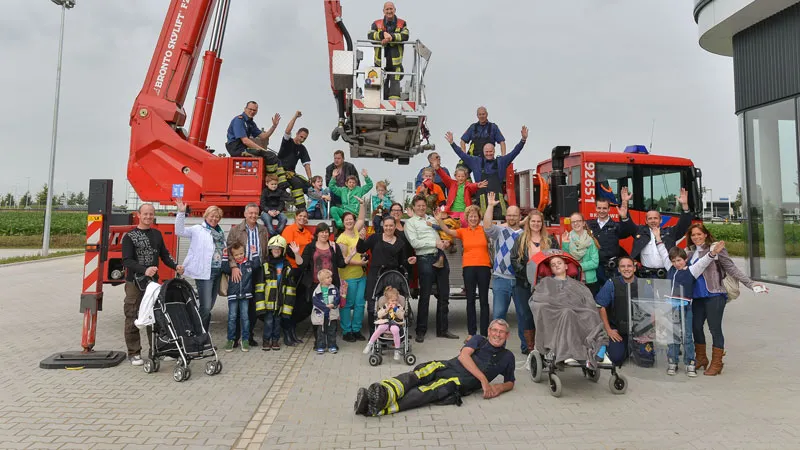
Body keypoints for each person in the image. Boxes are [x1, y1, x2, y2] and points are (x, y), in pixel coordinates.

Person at [354, 319, 515, 417]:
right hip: (446, 366)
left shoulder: (508, 357)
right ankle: (382, 392)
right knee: (414, 376)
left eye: (502, 332)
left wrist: (499, 388)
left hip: (457, 382)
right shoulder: (479, 339)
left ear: (507, 335)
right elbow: (464, 357)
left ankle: (372, 408)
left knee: (424, 392)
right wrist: (484, 380)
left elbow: (510, 382)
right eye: (495, 330)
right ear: (489, 331)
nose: (497, 334)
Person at [684, 223, 768, 376]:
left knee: (714, 328)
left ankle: (717, 363)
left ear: (705, 235)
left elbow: (731, 268)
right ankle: (701, 358)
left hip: (715, 294)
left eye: (699, 234)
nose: (696, 237)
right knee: (695, 327)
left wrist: (750, 283)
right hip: (696, 296)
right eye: (693, 235)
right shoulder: (689, 252)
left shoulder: (716, 249)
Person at [654, 229, 724, 377]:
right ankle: (672, 362)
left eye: (679, 260)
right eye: (674, 261)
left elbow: (704, 262)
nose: (676, 264)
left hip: (686, 308)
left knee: (687, 336)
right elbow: (663, 253)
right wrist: (658, 238)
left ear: (685, 259)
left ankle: (690, 362)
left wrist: (713, 253)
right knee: (672, 335)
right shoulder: (670, 268)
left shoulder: (692, 270)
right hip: (671, 308)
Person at [121, 204, 183, 366]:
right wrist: (144, 270)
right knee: (132, 315)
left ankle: (157, 351)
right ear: (138, 215)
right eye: (145, 214)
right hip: (134, 283)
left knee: (155, 316)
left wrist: (175, 266)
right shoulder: (129, 236)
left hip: (152, 284)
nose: (148, 217)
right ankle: (134, 353)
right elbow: (127, 261)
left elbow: (165, 255)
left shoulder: (157, 234)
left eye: (151, 214)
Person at [482, 192, 533, 354]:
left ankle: (527, 347)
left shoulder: (525, 235)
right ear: (506, 216)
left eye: (515, 215)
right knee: (498, 315)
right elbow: (487, 226)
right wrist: (490, 206)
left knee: (524, 315)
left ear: (520, 217)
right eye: (509, 215)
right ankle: (496, 348)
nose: (512, 217)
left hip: (520, 280)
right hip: (501, 279)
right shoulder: (500, 231)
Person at [404, 195, 457, 342]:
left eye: (423, 205)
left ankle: (443, 330)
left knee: (444, 295)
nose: (421, 208)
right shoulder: (410, 223)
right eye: (418, 206)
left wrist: (445, 242)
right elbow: (415, 243)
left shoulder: (432, 219)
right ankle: (421, 331)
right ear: (413, 207)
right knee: (425, 296)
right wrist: (435, 243)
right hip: (425, 259)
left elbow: (442, 232)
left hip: (440, 256)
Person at [446, 126, 528, 219]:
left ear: (494, 151)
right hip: (482, 199)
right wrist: (452, 143)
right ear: (483, 151)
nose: (489, 153)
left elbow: (515, 152)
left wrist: (523, 140)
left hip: (498, 199)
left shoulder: (501, 161)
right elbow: (462, 154)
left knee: (503, 217)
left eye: (491, 151)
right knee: (482, 218)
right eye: (486, 152)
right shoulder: (475, 161)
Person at [436, 205, 492, 339]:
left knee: (484, 301)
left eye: (475, 216)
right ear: (467, 218)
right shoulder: (463, 231)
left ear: (479, 218)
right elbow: (447, 231)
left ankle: (484, 334)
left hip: (484, 267)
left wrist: (490, 206)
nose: (473, 219)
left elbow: (494, 224)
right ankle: (471, 333)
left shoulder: (484, 230)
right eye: (470, 216)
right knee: (470, 300)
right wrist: (439, 220)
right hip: (468, 268)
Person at [358, 209, 416, 335]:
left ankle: (393, 333)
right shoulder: (375, 238)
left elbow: (402, 262)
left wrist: (408, 261)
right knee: (372, 306)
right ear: (383, 226)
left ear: (395, 226)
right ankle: (374, 334)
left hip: (392, 276)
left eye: (391, 225)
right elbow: (361, 249)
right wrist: (361, 239)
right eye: (386, 226)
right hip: (375, 274)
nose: (388, 228)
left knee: (392, 304)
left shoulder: (400, 243)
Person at [174, 200, 225, 331]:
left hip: (217, 272)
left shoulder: (220, 233)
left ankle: (199, 331)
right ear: (206, 216)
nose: (214, 219)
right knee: (206, 307)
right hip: (204, 273)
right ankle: (200, 334)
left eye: (217, 217)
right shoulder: (197, 229)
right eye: (212, 216)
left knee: (209, 306)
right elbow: (179, 231)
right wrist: (181, 213)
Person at [294, 223, 347, 350]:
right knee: (318, 314)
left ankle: (332, 342)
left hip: (331, 286)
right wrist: (296, 253)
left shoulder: (333, 246)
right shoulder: (310, 247)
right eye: (322, 232)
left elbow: (341, 263)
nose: (324, 234)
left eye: (326, 232)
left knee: (332, 313)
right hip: (315, 285)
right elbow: (302, 264)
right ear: (317, 233)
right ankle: (319, 341)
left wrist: (350, 256)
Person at [226, 202, 269, 348]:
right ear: (245, 214)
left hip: (257, 270)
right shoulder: (236, 230)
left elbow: (265, 251)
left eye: (256, 213)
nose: (253, 215)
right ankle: (234, 338)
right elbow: (229, 250)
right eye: (250, 213)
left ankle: (248, 336)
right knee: (239, 304)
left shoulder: (263, 230)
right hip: (241, 270)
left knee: (253, 305)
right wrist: (233, 267)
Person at [629, 188, 693, 278]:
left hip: (666, 274)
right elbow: (628, 225)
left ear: (661, 220)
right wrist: (624, 203)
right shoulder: (639, 231)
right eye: (650, 218)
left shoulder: (670, 232)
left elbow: (684, 225)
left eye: (655, 218)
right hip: (645, 275)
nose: (653, 221)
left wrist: (685, 206)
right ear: (646, 221)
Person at [586, 187, 636, 285]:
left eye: (604, 208)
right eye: (599, 208)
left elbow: (629, 231)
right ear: (595, 208)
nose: (602, 211)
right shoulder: (588, 225)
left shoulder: (616, 226)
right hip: (592, 270)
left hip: (610, 270)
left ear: (609, 209)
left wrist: (624, 213)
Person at [595, 256, 638, 367]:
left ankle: (628, 347)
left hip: (638, 330)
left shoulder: (643, 284)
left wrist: (647, 333)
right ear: (618, 269)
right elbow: (600, 306)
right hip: (618, 329)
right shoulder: (611, 283)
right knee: (616, 359)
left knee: (647, 360)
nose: (626, 269)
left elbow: (652, 308)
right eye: (622, 266)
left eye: (629, 266)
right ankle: (606, 345)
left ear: (634, 268)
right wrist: (608, 330)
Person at [337, 198, 369, 342]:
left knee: (360, 304)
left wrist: (362, 204)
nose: (349, 221)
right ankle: (346, 331)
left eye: (351, 219)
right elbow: (345, 260)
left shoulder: (356, 231)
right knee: (347, 304)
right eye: (347, 220)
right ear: (343, 223)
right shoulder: (341, 239)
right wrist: (360, 263)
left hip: (361, 275)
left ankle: (356, 330)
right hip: (348, 276)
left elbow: (361, 218)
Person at [260, 235, 299, 351]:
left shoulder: (287, 266)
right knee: (268, 322)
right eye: (273, 248)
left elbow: (290, 289)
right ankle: (266, 340)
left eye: (278, 249)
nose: (276, 250)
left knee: (277, 322)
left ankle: (275, 340)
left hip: (280, 302)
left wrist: (287, 306)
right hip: (268, 302)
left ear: (283, 250)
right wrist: (260, 305)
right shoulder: (265, 265)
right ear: (270, 250)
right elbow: (259, 286)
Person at [281, 209, 314, 346]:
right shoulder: (289, 230)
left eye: (305, 216)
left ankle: (293, 332)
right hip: (292, 270)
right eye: (300, 216)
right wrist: (299, 259)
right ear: (295, 217)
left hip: (302, 271)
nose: (302, 218)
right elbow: (288, 249)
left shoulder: (307, 233)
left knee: (297, 304)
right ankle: (287, 334)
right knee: (288, 303)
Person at [511, 209, 558, 297]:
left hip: (545, 283)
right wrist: (527, 273)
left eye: (538, 221)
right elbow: (514, 259)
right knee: (524, 306)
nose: (536, 224)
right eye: (533, 221)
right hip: (524, 283)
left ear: (542, 223)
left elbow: (557, 259)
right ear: (528, 222)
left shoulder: (550, 240)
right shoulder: (520, 239)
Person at [368, 2, 409, 100]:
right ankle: (380, 100)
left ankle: (393, 104)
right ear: (383, 11)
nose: (389, 11)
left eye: (391, 9)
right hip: (380, 64)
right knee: (381, 89)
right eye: (387, 9)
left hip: (395, 65)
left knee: (394, 91)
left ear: (395, 10)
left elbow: (405, 35)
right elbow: (370, 35)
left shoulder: (402, 23)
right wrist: (382, 35)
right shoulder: (376, 24)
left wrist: (391, 37)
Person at [221, 243, 255, 352]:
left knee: (245, 318)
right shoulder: (231, 267)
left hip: (245, 295)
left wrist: (254, 253)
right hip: (233, 295)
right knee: (232, 318)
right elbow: (224, 269)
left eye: (241, 253)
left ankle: (245, 340)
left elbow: (257, 265)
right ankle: (230, 340)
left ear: (244, 252)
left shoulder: (248, 264)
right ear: (233, 256)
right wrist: (225, 256)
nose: (239, 256)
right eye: (236, 255)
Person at [277, 110, 313, 209]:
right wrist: (295, 117)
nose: (302, 139)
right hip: (280, 171)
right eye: (301, 137)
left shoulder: (302, 148)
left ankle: (308, 207)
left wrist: (310, 179)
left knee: (307, 185)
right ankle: (299, 206)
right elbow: (287, 130)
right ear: (296, 134)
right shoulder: (287, 141)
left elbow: (307, 165)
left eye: (304, 138)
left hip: (291, 173)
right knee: (297, 183)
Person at [561, 212, 601, 295]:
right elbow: (565, 260)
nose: (576, 223)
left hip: (589, 281)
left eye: (578, 221)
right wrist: (565, 244)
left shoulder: (590, 240)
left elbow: (595, 263)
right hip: (572, 279)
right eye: (573, 222)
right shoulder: (567, 238)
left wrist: (577, 266)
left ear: (583, 223)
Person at [458, 106, 507, 175]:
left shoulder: (493, 127)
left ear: (487, 114)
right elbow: (462, 141)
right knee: (460, 169)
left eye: (483, 114)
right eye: (480, 114)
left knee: (488, 175)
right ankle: (468, 182)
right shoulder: (473, 127)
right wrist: (464, 155)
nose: (481, 116)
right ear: (477, 116)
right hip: (473, 157)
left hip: (487, 159)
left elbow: (502, 142)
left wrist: (503, 157)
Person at [364, 286, 407, 360]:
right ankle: (370, 344)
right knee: (380, 328)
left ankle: (397, 350)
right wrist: (386, 310)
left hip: (395, 323)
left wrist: (395, 309)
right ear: (388, 300)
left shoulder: (399, 307)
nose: (394, 302)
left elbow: (401, 316)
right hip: (385, 322)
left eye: (395, 300)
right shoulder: (385, 306)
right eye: (392, 301)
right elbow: (379, 315)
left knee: (395, 330)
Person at [311, 269, 342, 354]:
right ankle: (321, 346)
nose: (330, 279)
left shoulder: (334, 289)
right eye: (327, 277)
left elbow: (337, 298)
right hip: (321, 315)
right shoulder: (317, 290)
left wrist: (333, 304)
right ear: (322, 280)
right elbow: (315, 301)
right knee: (321, 331)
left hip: (332, 314)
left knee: (332, 331)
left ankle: (332, 346)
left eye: (330, 277)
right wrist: (325, 307)